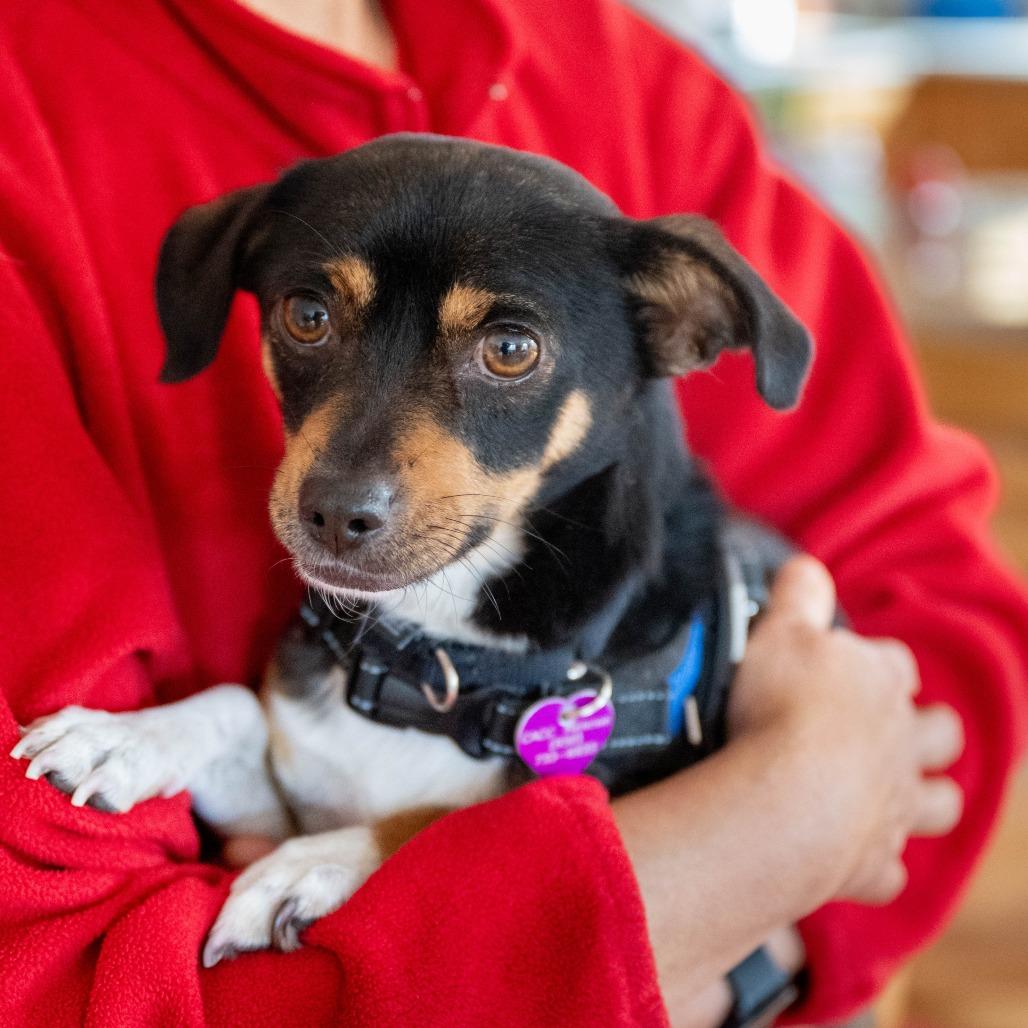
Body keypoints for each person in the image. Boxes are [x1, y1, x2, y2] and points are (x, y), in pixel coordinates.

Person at [0, 0, 1024, 1025]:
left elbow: (928, 587)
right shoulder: (33, 102)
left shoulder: (634, 80)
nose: (352, 487)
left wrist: (775, 928)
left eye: (506, 351)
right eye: (313, 317)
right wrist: (730, 868)